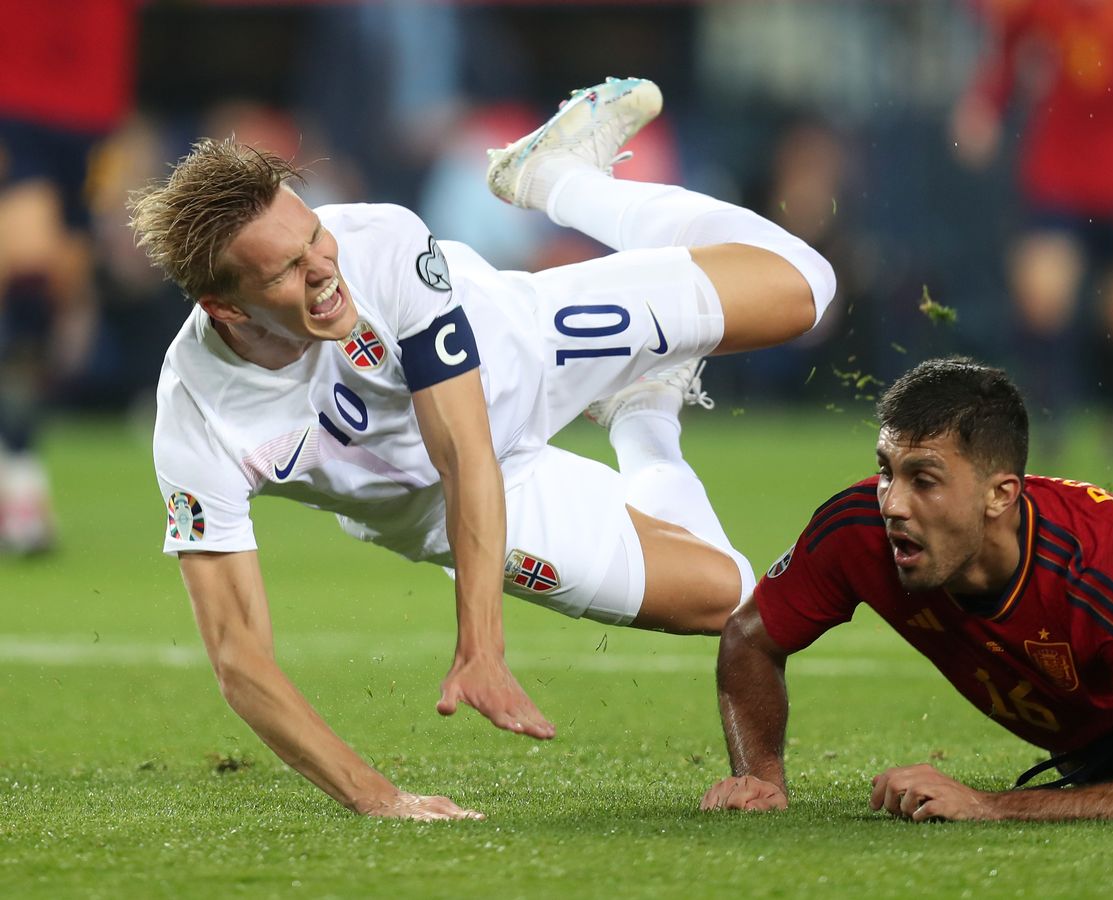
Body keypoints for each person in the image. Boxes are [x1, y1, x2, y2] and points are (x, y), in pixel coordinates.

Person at [129, 78, 837, 820]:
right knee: (735, 599)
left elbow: (462, 447)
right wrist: (378, 797)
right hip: (436, 505)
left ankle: (557, 178)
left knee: (807, 289)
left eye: (313, 236)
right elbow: (239, 657)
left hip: (527, 343)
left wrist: (482, 648)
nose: (323, 271)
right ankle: (643, 411)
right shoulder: (199, 420)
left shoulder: (379, 244)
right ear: (226, 306)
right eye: (285, 270)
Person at [701, 356, 1113, 821]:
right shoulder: (859, 530)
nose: (893, 503)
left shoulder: (1106, 572)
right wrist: (759, 778)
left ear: (999, 495)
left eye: (924, 479)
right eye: (886, 470)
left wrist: (991, 806)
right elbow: (750, 638)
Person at [950, 0, 1113, 459]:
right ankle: (1047, 421)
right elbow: (1006, 56)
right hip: (1057, 175)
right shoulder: (1040, 6)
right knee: (1043, 297)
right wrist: (983, 106)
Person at [0, 0, 139, 553]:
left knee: (59, 299)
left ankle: (17, 468)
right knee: (28, 272)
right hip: (14, 89)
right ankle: (21, 477)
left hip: (91, 103)